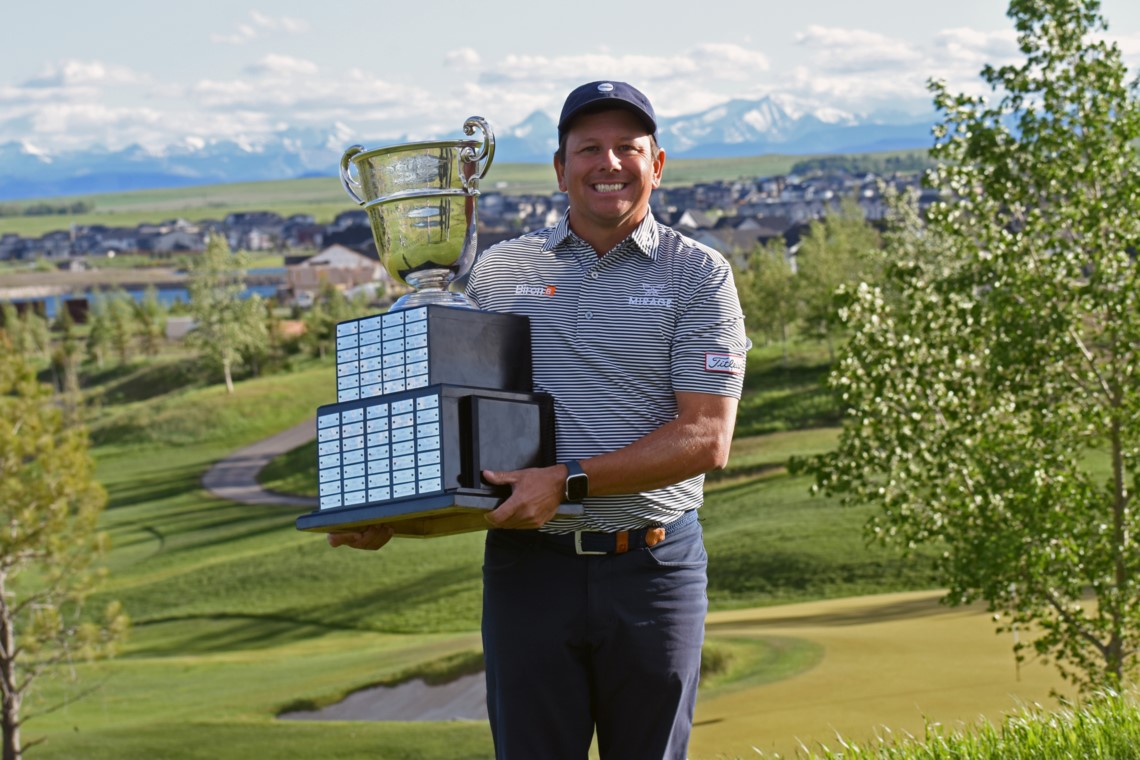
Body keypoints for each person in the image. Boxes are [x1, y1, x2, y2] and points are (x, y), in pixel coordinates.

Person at [330, 80, 748, 760]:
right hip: (530, 572)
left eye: (627, 148)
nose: (608, 163)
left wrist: (569, 481)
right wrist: (393, 511)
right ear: (560, 169)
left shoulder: (698, 275)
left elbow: (707, 436)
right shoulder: (498, 272)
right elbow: (462, 421)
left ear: (659, 164)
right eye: (588, 149)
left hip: (652, 569)